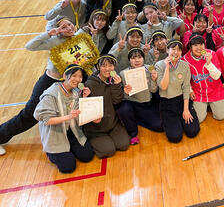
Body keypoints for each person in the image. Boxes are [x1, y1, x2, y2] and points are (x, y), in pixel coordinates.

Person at [0, 18, 79, 153]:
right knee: (29, 115)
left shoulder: (79, 39)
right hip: (49, 82)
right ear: (59, 30)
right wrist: (49, 33)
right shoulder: (54, 41)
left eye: (70, 24)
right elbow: (29, 46)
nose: (69, 28)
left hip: (68, 84)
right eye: (64, 27)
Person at [33, 64, 94, 173]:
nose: (77, 79)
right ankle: (51, 152)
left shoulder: (76, 92)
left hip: (72, 131)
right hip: (56, 135)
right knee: (68, 167)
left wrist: (84, 98)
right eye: (74, 75)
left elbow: (80, 111)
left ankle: (69, 147)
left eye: (80, 77)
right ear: (65, 76)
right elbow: (45, 119)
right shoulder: (51, 94)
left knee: (87, 156)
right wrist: (68, 117)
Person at [83, 55, 130, 158]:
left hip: (112, 123)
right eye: (104, 66)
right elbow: (86, 109)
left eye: (110, 65)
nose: (107, 69)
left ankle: (110, 136)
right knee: (108, 151)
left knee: (124, 145)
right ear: (98, 67)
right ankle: (97, 140)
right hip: (95, 129)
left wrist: (116, 85)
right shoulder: (90, 84)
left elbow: (116, 101)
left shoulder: (115, 79)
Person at [156, 40, 200, 143]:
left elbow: (186, 87)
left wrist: (186, 109)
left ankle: (182, 119)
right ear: (167, 50)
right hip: (166, 103)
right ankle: (176, 123)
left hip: (181, 101)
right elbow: (163, 86)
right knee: (175, 137)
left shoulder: (184, 65)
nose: (176, 52)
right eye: (173, 49)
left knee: (192, 131)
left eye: (179, 50)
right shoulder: (159, 65)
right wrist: (167, 68)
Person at [117, 49, 163, 145]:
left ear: (143, 58)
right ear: (129, 60)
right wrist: (125, 92)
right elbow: (120, 97)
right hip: (131, 103)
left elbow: (153, 90)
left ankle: (137, 119)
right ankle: (133, 133)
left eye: (139, 57)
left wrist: (154, 80)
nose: (137, 60)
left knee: (160, 126)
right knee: (123, 109)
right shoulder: (123, 74)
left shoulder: (150, 68)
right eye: (133, 58)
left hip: (146, 103)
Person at [183, 34, 224, 123]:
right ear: (190, 47)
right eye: (195, 45)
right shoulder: (185, 59)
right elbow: (185, 79)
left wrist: (209, 63)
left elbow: (217, 76)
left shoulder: (212, 54)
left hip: (215, 90)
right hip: (198, 92)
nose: (199, 48)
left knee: (221, 116)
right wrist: (190, 90)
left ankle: (210, 105)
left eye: (201, 44)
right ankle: (205, 105)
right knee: (199, 119)